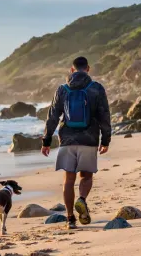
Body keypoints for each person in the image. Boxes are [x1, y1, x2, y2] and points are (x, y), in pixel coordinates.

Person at [41, 56, 112, 230]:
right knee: (86, 176)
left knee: (68, 180)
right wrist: (106, 139)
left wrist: (46, 139)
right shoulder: (96, 88)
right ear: (88, 69)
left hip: (67, 140)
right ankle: (82, 200)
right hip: (89, 140)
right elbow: (104, 115)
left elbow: (53, 116)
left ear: (72, 70)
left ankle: (71, 219)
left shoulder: (62, 89)